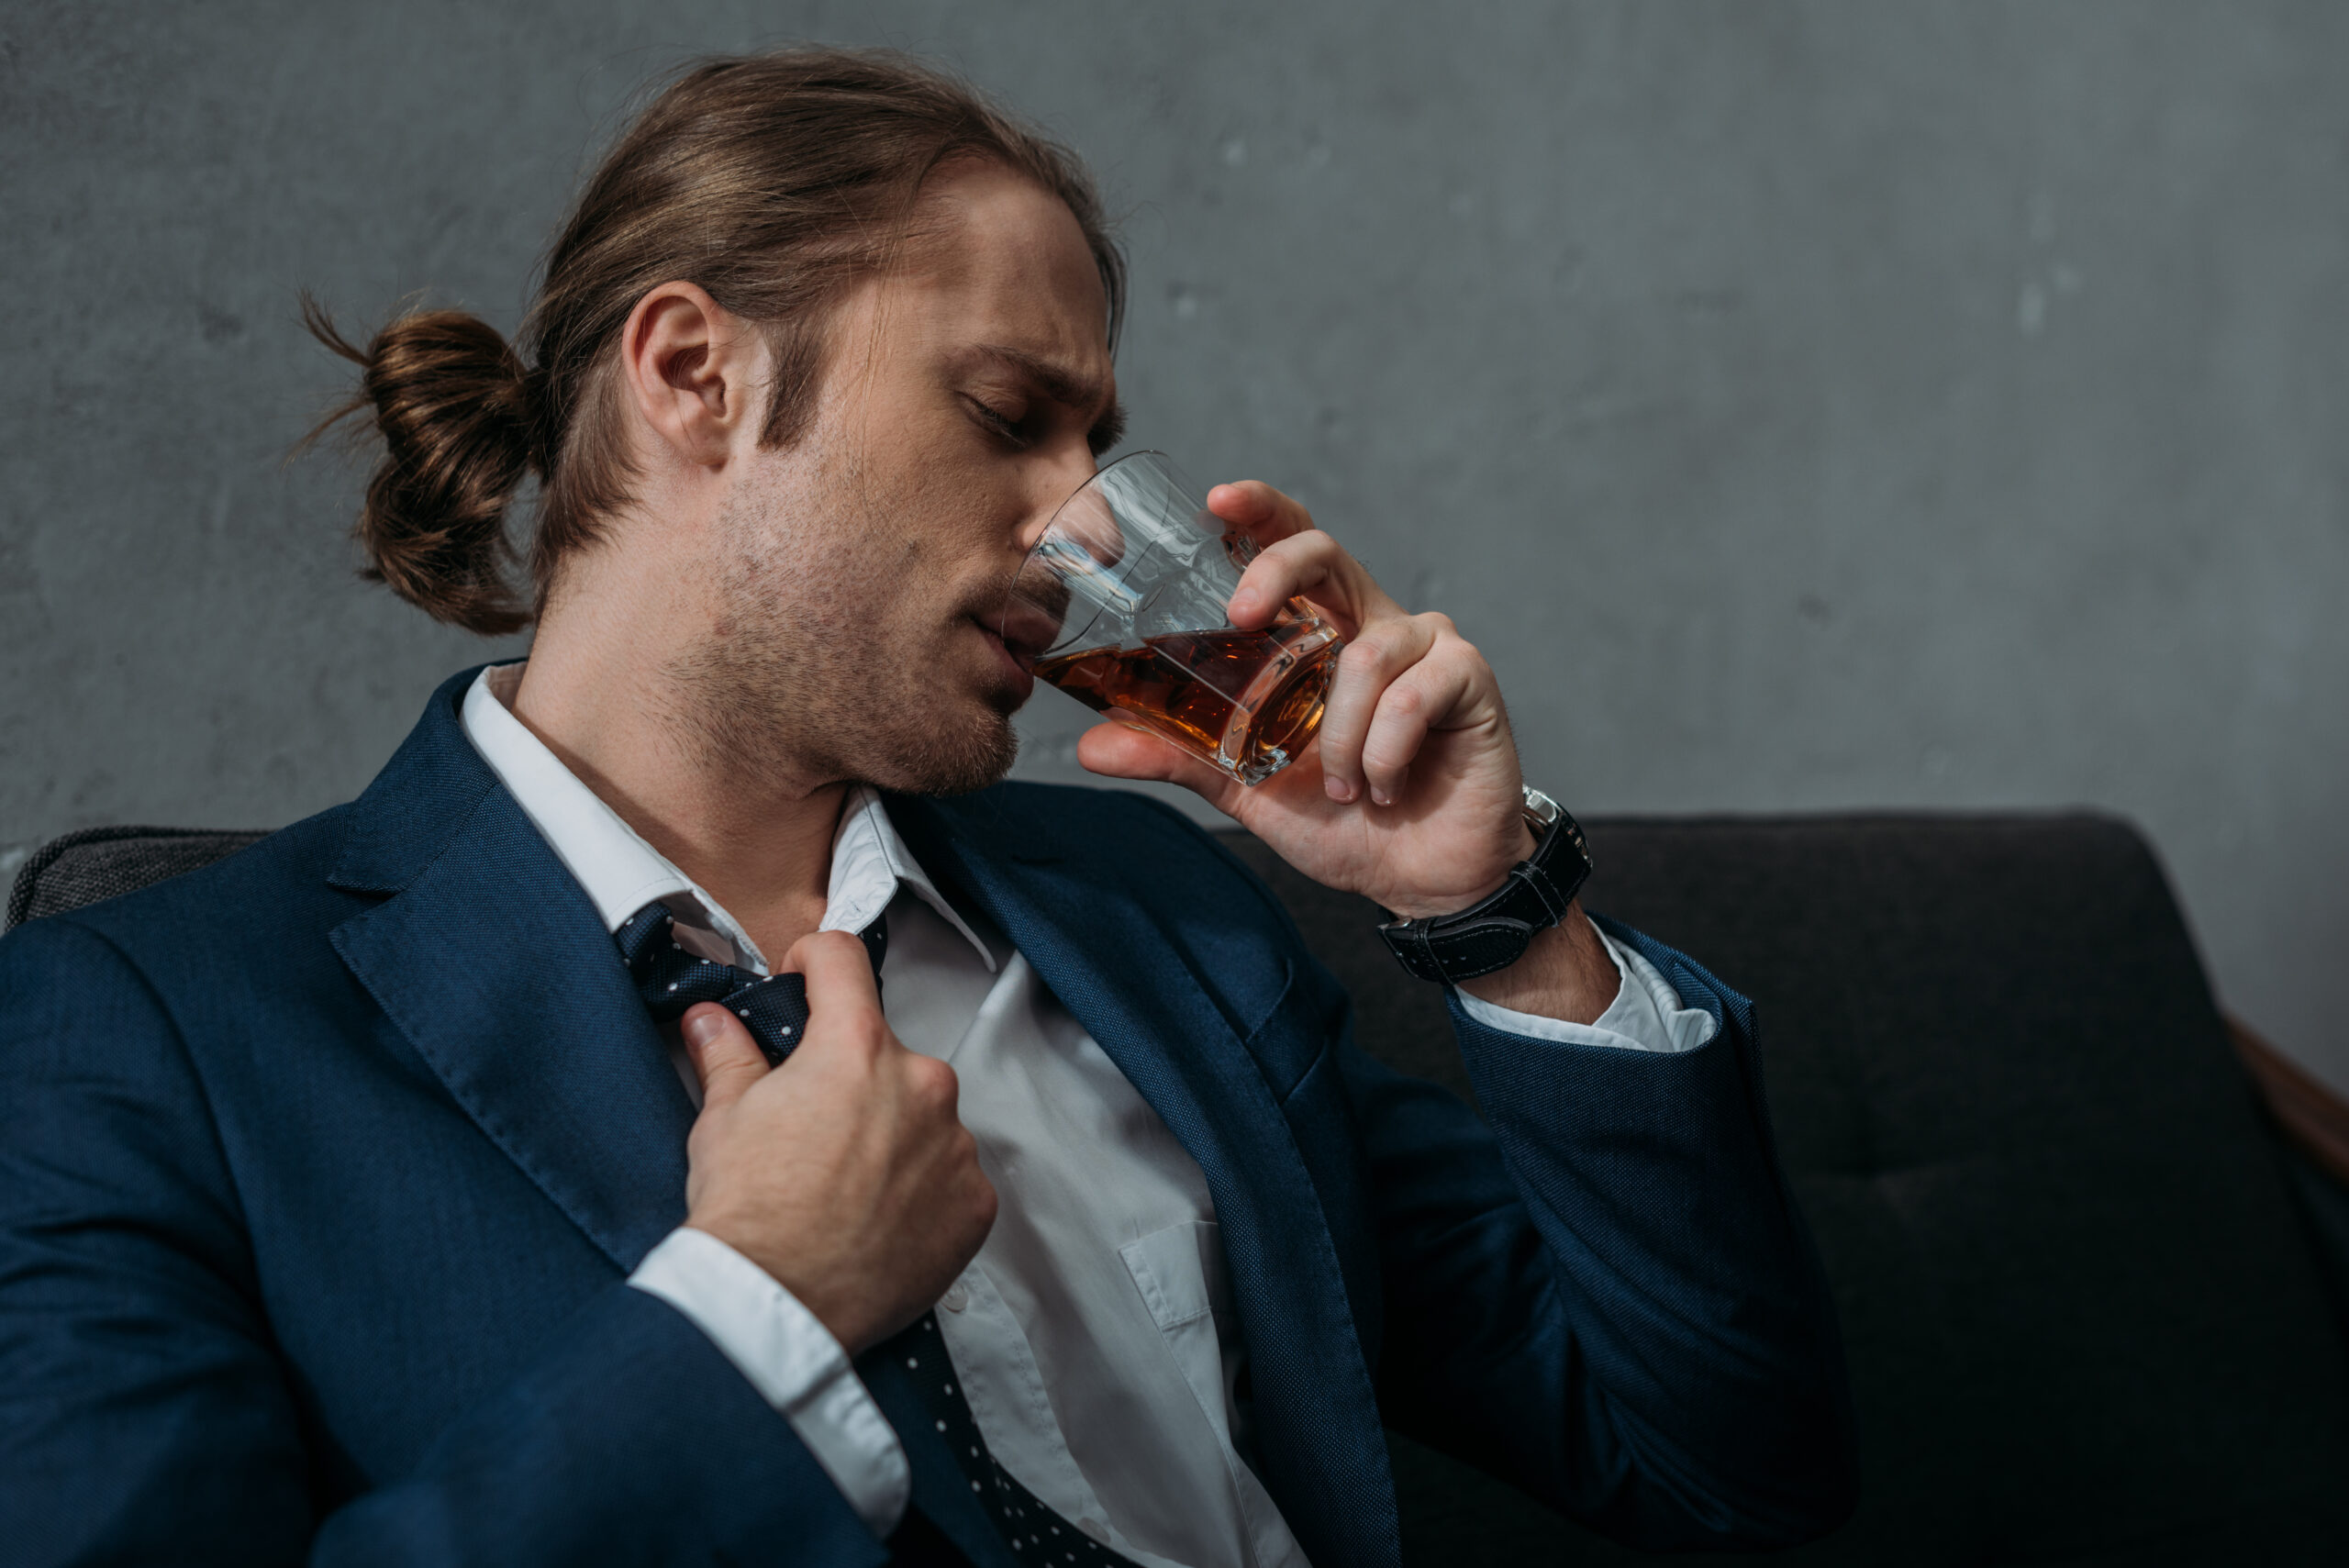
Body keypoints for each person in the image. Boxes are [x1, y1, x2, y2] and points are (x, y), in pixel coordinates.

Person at [0, 48, 1855, 1568]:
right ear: (694, 376)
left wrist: (1502, 916)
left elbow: (1723, 1490)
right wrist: (757, 1313)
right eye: (1003, 413)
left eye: (1094, 446)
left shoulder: (1160, 915)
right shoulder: (138, 1042)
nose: (1078, 527)